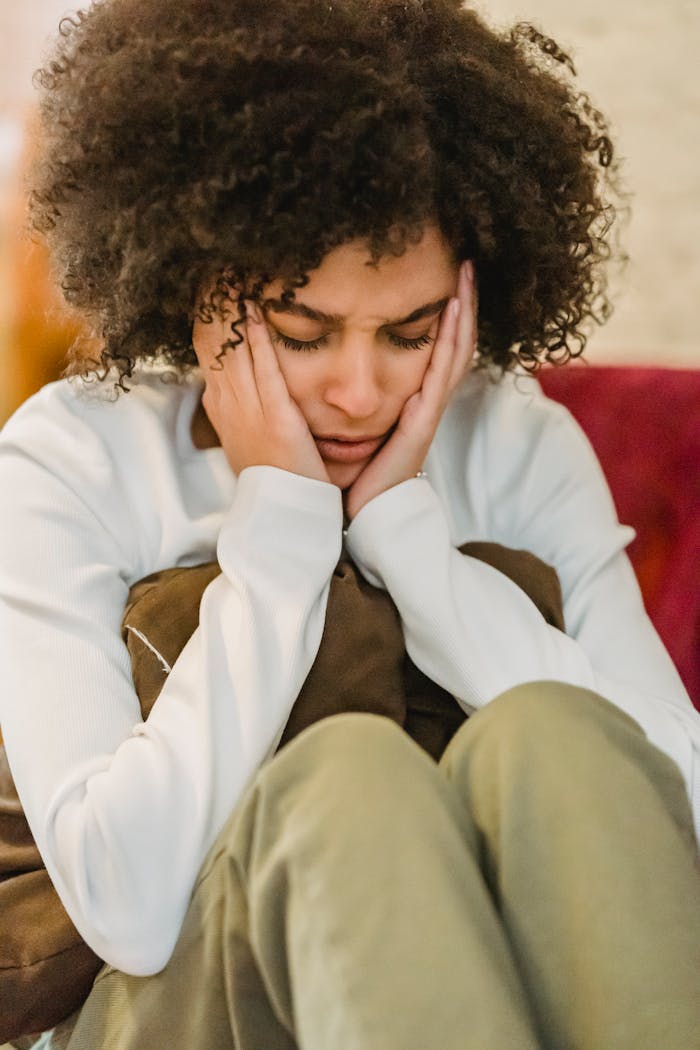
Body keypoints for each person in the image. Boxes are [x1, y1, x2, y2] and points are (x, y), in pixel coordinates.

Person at [1, 0, 699, 1047]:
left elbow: (670, 811)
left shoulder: (510, 438)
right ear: (199, 284)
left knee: (554, 731)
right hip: (176, 1008)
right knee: (346, 778)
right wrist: (281, 529)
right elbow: (126, 905)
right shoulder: (73, 455)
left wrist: (408, 542)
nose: (362, 392)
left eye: (411, 333)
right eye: (302, 332)